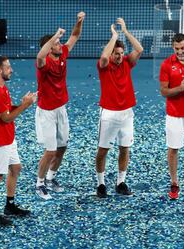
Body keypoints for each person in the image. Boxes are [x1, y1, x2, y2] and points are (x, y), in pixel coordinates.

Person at [35, 11, 85, 200]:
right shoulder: (43, 63)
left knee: (62, 147)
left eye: (57, 43)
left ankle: (50, 178)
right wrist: (55, 36)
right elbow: (40, 55)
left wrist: (79, 21)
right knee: (50, 150)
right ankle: (39, 184)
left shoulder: (62, 53)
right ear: (49, 48)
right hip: (46, 112)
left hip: (60, 109)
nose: (59, 45)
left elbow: (74, 36)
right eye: (56, 43)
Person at [0, 56, 37, 225]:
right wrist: (26, 105)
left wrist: (21, 103)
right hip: (0, 141)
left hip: (8, 137)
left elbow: (7, 110)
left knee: (15, 168)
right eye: (8, 67)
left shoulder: (3, 88)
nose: (11, 70)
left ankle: (10, 205)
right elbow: (6, 118)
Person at [95, 18, 143, 198]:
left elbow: (139, 49)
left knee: (125, 148)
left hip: (126, 114)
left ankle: (120, 182)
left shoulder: (127, 63)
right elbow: (104, 58)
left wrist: (126, 31)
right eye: (116, 53)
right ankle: (101, 184)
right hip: (108, 114)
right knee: (103, 151)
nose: (119, 56)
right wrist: (114, 36)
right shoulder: (104, 67)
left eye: (121, 53)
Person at [159, 33, 184, 200]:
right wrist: (180, 89)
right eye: (177, 49)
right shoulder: (166, 65)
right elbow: (164, 91)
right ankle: (174, 183)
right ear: (173, 48)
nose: (180, 51)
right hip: (174, 115)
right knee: (173, 149)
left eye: (182, 48)